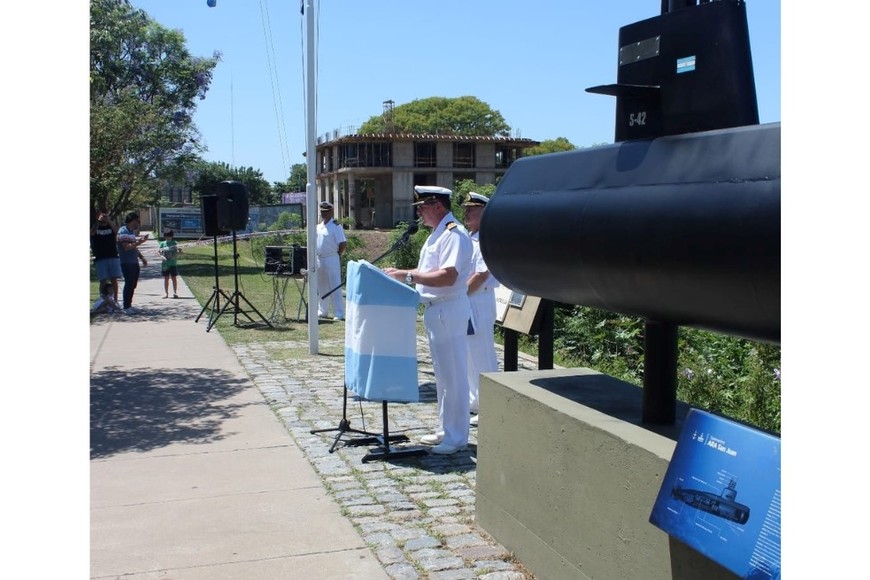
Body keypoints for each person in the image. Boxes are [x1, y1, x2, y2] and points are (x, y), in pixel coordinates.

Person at [384, 185, 473, 455]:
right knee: (443, 376)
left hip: (449, 308)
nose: (420, 212)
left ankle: (457, 436)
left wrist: (407, 276)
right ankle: (447, 429)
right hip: (436, 309)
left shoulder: (454, 235)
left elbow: (448, 276)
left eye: (423, 207)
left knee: (455, 375)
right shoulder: (436, 234)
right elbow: (429, 272)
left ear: (437, 206)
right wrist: (404, 275)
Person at [462, 192, 500, 427]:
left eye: (471, 209)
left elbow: (481, 274)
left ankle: (490, 404)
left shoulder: (487, 238)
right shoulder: (469, 237)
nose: (466, 213)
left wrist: (457, 294)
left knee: (483, 354)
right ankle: (475, 400)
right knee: (468, 353)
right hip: (467, 300)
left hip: (479, 299)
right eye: (466, 209)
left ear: (484, 212)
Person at [315, 201, 347, 320]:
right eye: (322, 211)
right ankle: (323, 310)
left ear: (331, 212)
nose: (323, 214)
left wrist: (338, 254)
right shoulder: (319, 226)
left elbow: (343, 243)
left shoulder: (335, 226)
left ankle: (338, 312)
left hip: (331, 257)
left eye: (326, 211)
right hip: (320, 258)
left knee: (335, 285)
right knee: (321, 285)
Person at [117, 211, 149, 314]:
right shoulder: (123, 231)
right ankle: (126, 307)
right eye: (137, 221)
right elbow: (126, 248)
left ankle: (129, 305)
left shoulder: (131, 233)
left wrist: (141, 257)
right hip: (126, 262)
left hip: (134, 262)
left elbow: (133, 248)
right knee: (129, 284)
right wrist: (140, 242)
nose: (138, 223)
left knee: (133, 284)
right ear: (132, 220)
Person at [90, 208, 123, 307]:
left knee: (114, 279)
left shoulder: (110, 225)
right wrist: (98, 221)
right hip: (100, 257)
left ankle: (116, 300)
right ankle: (103, 301)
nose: (104, 217)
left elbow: (117, 232)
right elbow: (91, 233)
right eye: (102, 215)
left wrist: (108, 220)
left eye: (105, 215)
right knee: (103, 281)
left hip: (112, 255)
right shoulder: (95, 226)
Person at [159, 229, 182, 298]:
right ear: (164, 237)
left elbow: (179, 251)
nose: (168, 238)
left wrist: (177, 253)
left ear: (172, 236)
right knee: (166, 278)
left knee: (174, 278)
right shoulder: (162, 243)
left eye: (169, 236)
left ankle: (175, 292)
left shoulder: (175, 243)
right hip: (165, 265)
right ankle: (166, 293)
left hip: (173, 264)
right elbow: (159, 252)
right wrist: (162, 256)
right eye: (166, 236)